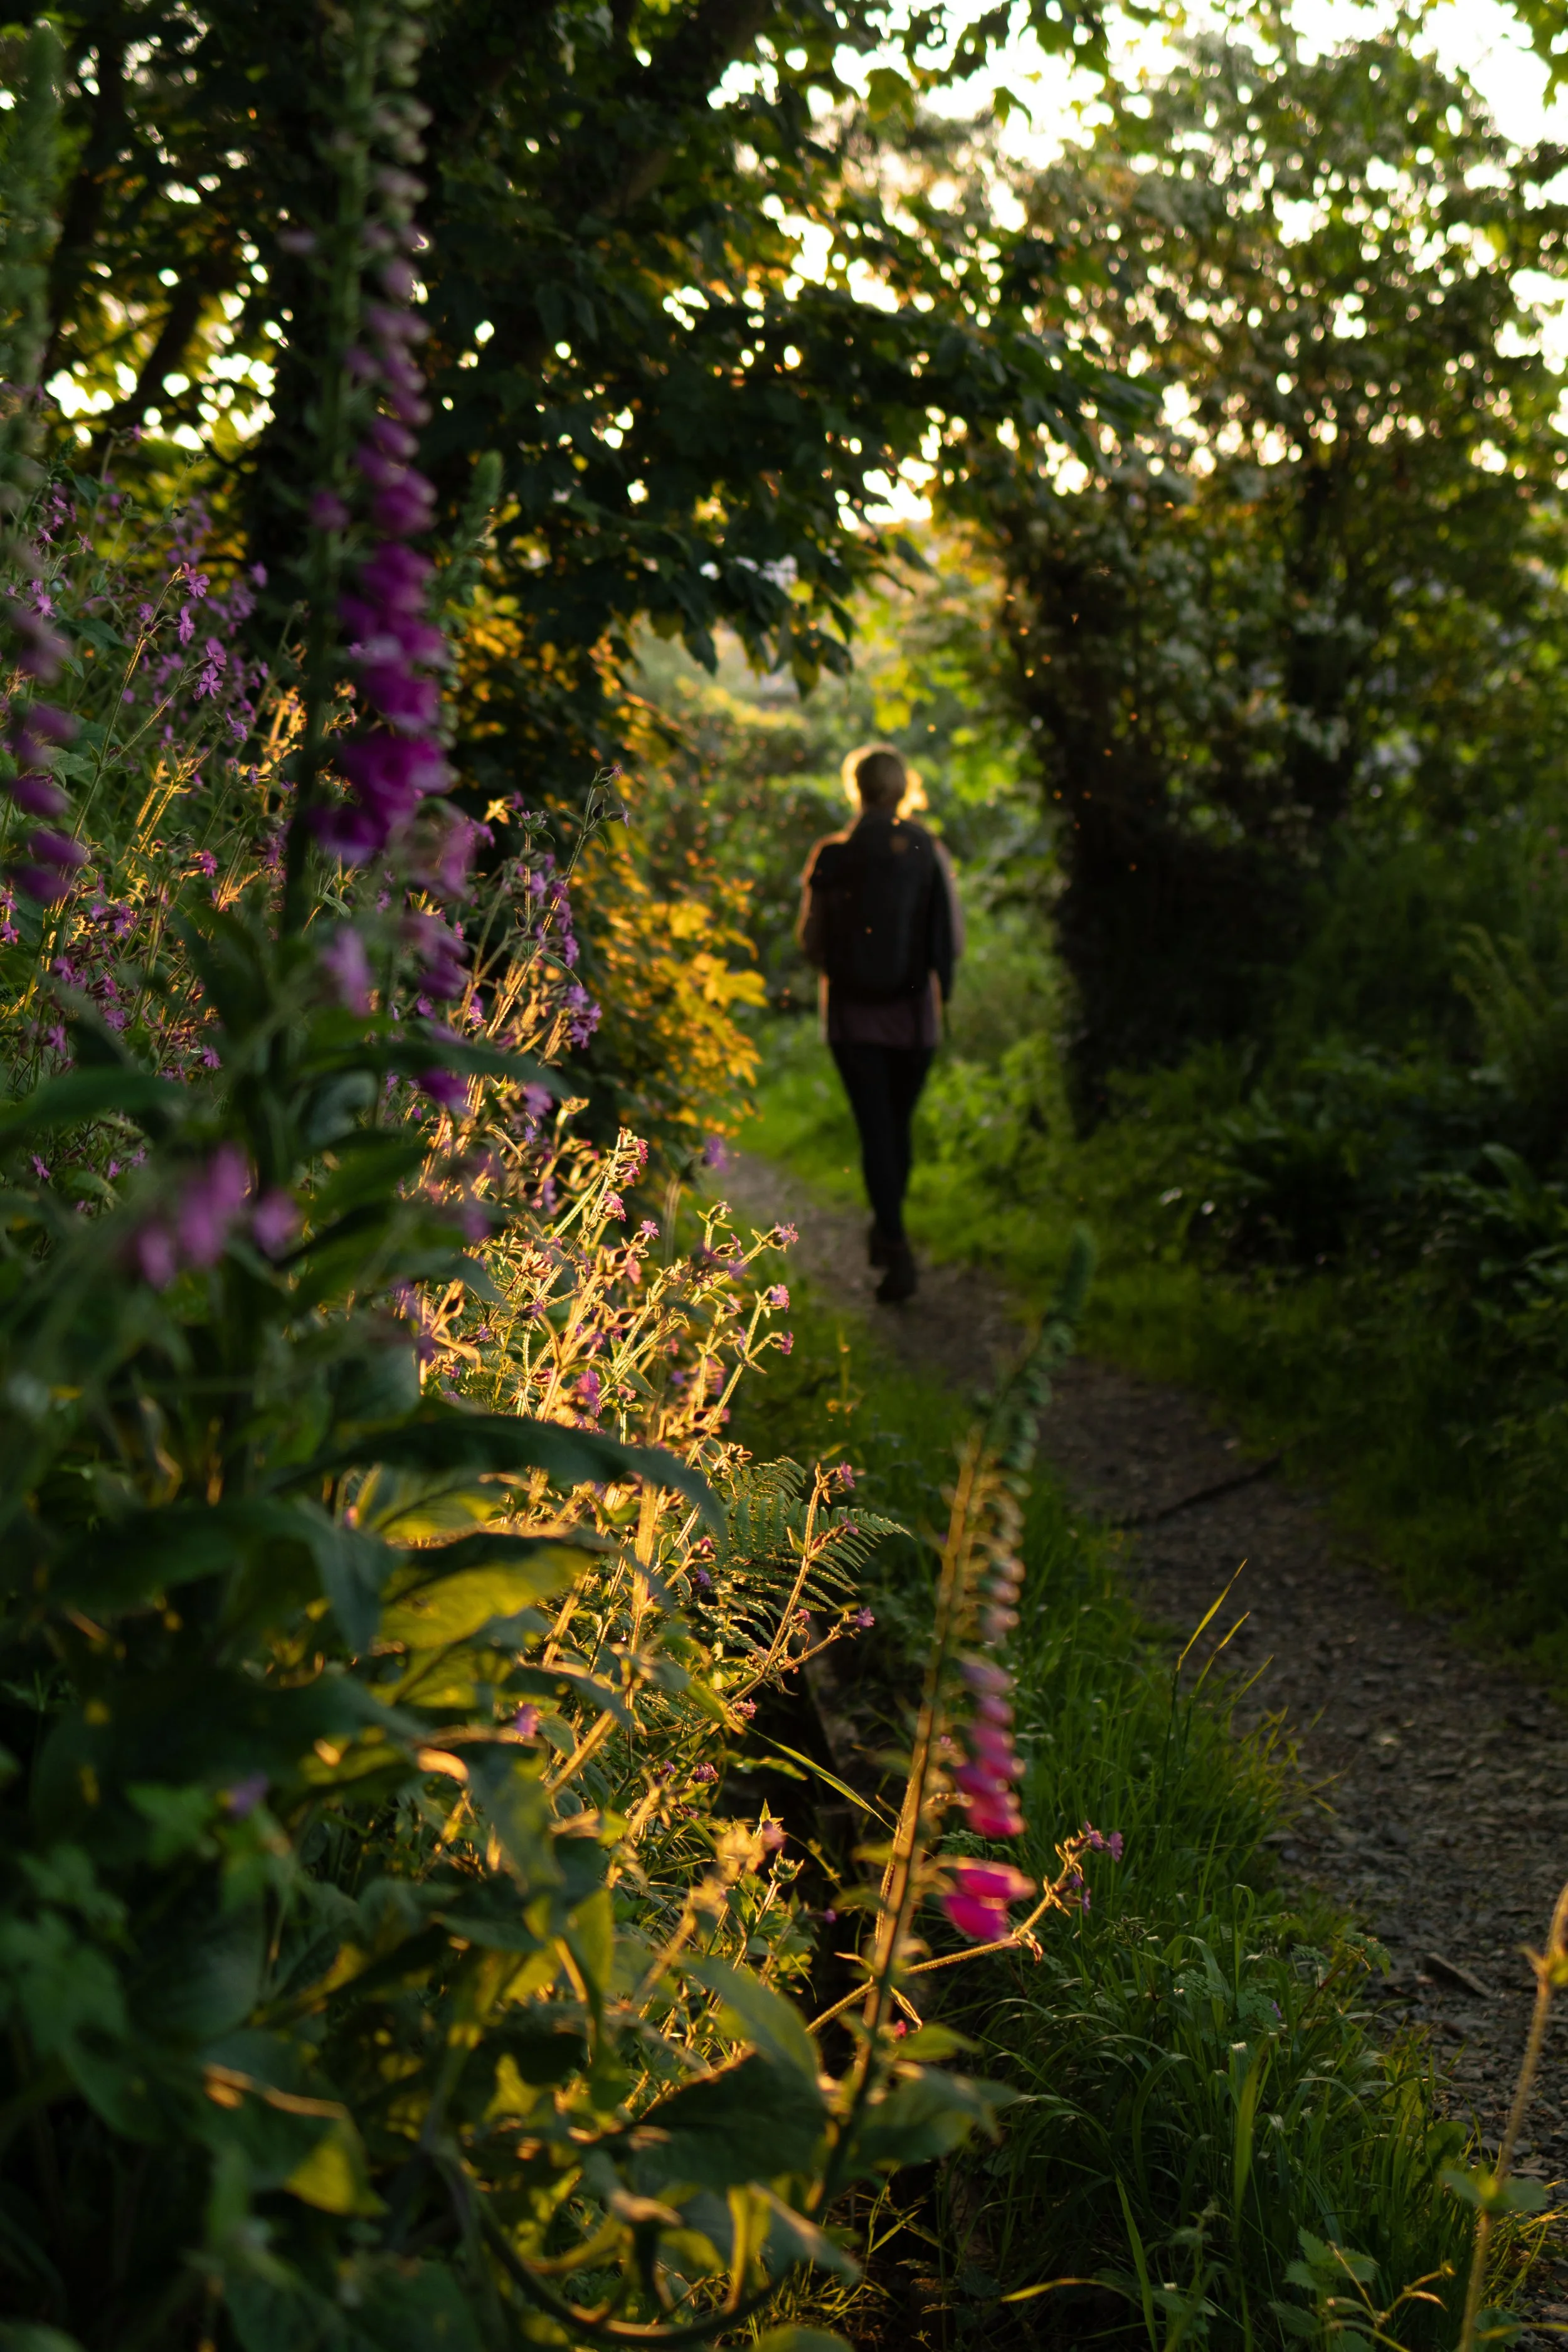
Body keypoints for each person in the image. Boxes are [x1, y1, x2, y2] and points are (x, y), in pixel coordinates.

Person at [796, 743, 963, 1303]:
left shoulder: (833, 854)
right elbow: (952, 941)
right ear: (904, 790)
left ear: (857, 790)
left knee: (876, 1131)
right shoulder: (926, 849)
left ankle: (894, 1242)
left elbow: (810, 942)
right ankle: (890, 1233)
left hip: (852, 1019)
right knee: (898, 1128)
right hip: (914, 1019)